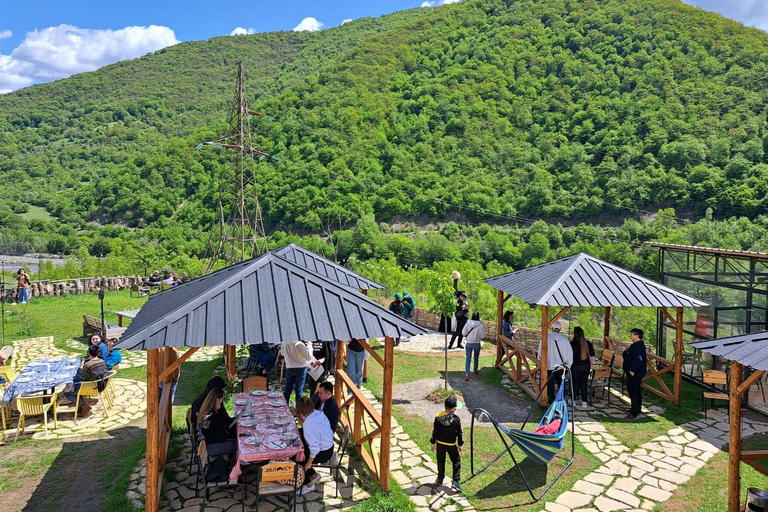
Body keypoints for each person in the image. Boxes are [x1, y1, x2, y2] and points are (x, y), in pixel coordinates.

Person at [296, 396, 335, 496]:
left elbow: (315, 448)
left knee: (297, 458)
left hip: (323, 452)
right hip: (329, 446)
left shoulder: (308, 424)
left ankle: (309, 485)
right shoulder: (318, 413)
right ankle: (314, 475)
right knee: (299, 442)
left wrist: (309, 462)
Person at [63, 344, 109, 416]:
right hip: (101, 385)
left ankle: (83, 406)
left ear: (89, 353)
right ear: (99, 353)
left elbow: (80, 378)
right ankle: (81, 408)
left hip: (92, 388)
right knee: (78, 386)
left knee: (67, 392)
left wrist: (81, 367)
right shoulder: (102, 362)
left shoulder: (88, 365)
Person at [430, 396, 464, 491]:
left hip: (440, 444)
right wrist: (460, 444)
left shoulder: (438, 417)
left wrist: (433, 443)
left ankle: (440, 478)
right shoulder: (456, 419)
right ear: (453, 409)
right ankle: (456, 481)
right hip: (451, 445)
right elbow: (460, 433)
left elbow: (435, 431)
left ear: (445, 406)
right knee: (456, 461)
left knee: (441, 461)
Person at [538, 321, 573, 404]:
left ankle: (551, 399)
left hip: (549, 366)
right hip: (561, 366)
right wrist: (568, 365)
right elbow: (570, 354)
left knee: (550, 384)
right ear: (560, 329)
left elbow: (540, 353)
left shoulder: (545, 339)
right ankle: (561, 400)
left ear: (552, 328)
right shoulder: (565, 340)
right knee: (561, 384)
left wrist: (541, 361)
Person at [197, 388, 237, 457]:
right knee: (238, 448)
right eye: (221, 400)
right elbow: (220, 428)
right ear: (217, 400)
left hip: (218, 440)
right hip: (211, 446)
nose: (221, 402)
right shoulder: (208, 417)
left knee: (238, 442)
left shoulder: (213, 411)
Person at [623, 328, 647, 420]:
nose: (630, 336)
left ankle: (634, 413)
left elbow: (638, 359)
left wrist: (632, 370)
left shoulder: (637, 346)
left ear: (637, 336)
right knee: (636, 391)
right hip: (636, 371)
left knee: (633, 391)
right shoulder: (637, 345)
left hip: (635, 372)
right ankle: (637, 409)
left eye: (632, 334)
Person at [569, 326, 595, 409]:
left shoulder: (572, 343)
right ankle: (584, 402)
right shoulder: (587, 343)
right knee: (583, 384)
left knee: (575, 384)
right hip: (586, 366)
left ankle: (573, 401)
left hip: (576, 366)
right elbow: (593, 354)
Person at [282, 340, 313, 405]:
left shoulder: (284, 342)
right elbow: (309, 357)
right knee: (299, 390)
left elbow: (282, 353)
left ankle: (284, 407)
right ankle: (299, 410)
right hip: (300, 368)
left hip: (290, 367)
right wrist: (309, 346)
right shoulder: (299, 344)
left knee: (287, 390)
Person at [462, 312, 485, 381]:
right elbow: (483, 336)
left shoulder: (468, 323)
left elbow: (463, 333)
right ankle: (475, 370)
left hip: (469, 343)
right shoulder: (480, 326)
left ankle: (467, 374)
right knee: (476, 357)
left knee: (468, 358)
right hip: (477, 343)